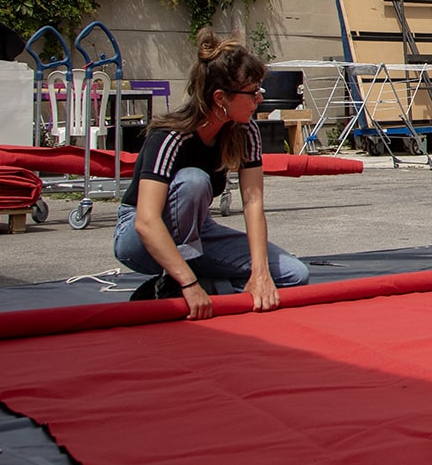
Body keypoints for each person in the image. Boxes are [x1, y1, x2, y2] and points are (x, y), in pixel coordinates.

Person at [114, 29, 310, 318]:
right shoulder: (170, 136)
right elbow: (145, 221)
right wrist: (189, 283)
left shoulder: (246, 132)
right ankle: (178, 280)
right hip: (139, 235)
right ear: (221, 98)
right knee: (193, 180)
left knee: (295, 275)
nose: (259, 99)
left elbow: (252, 204)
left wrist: (260, 274)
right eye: (253, 92)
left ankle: (198, 284)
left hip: (198, 232)